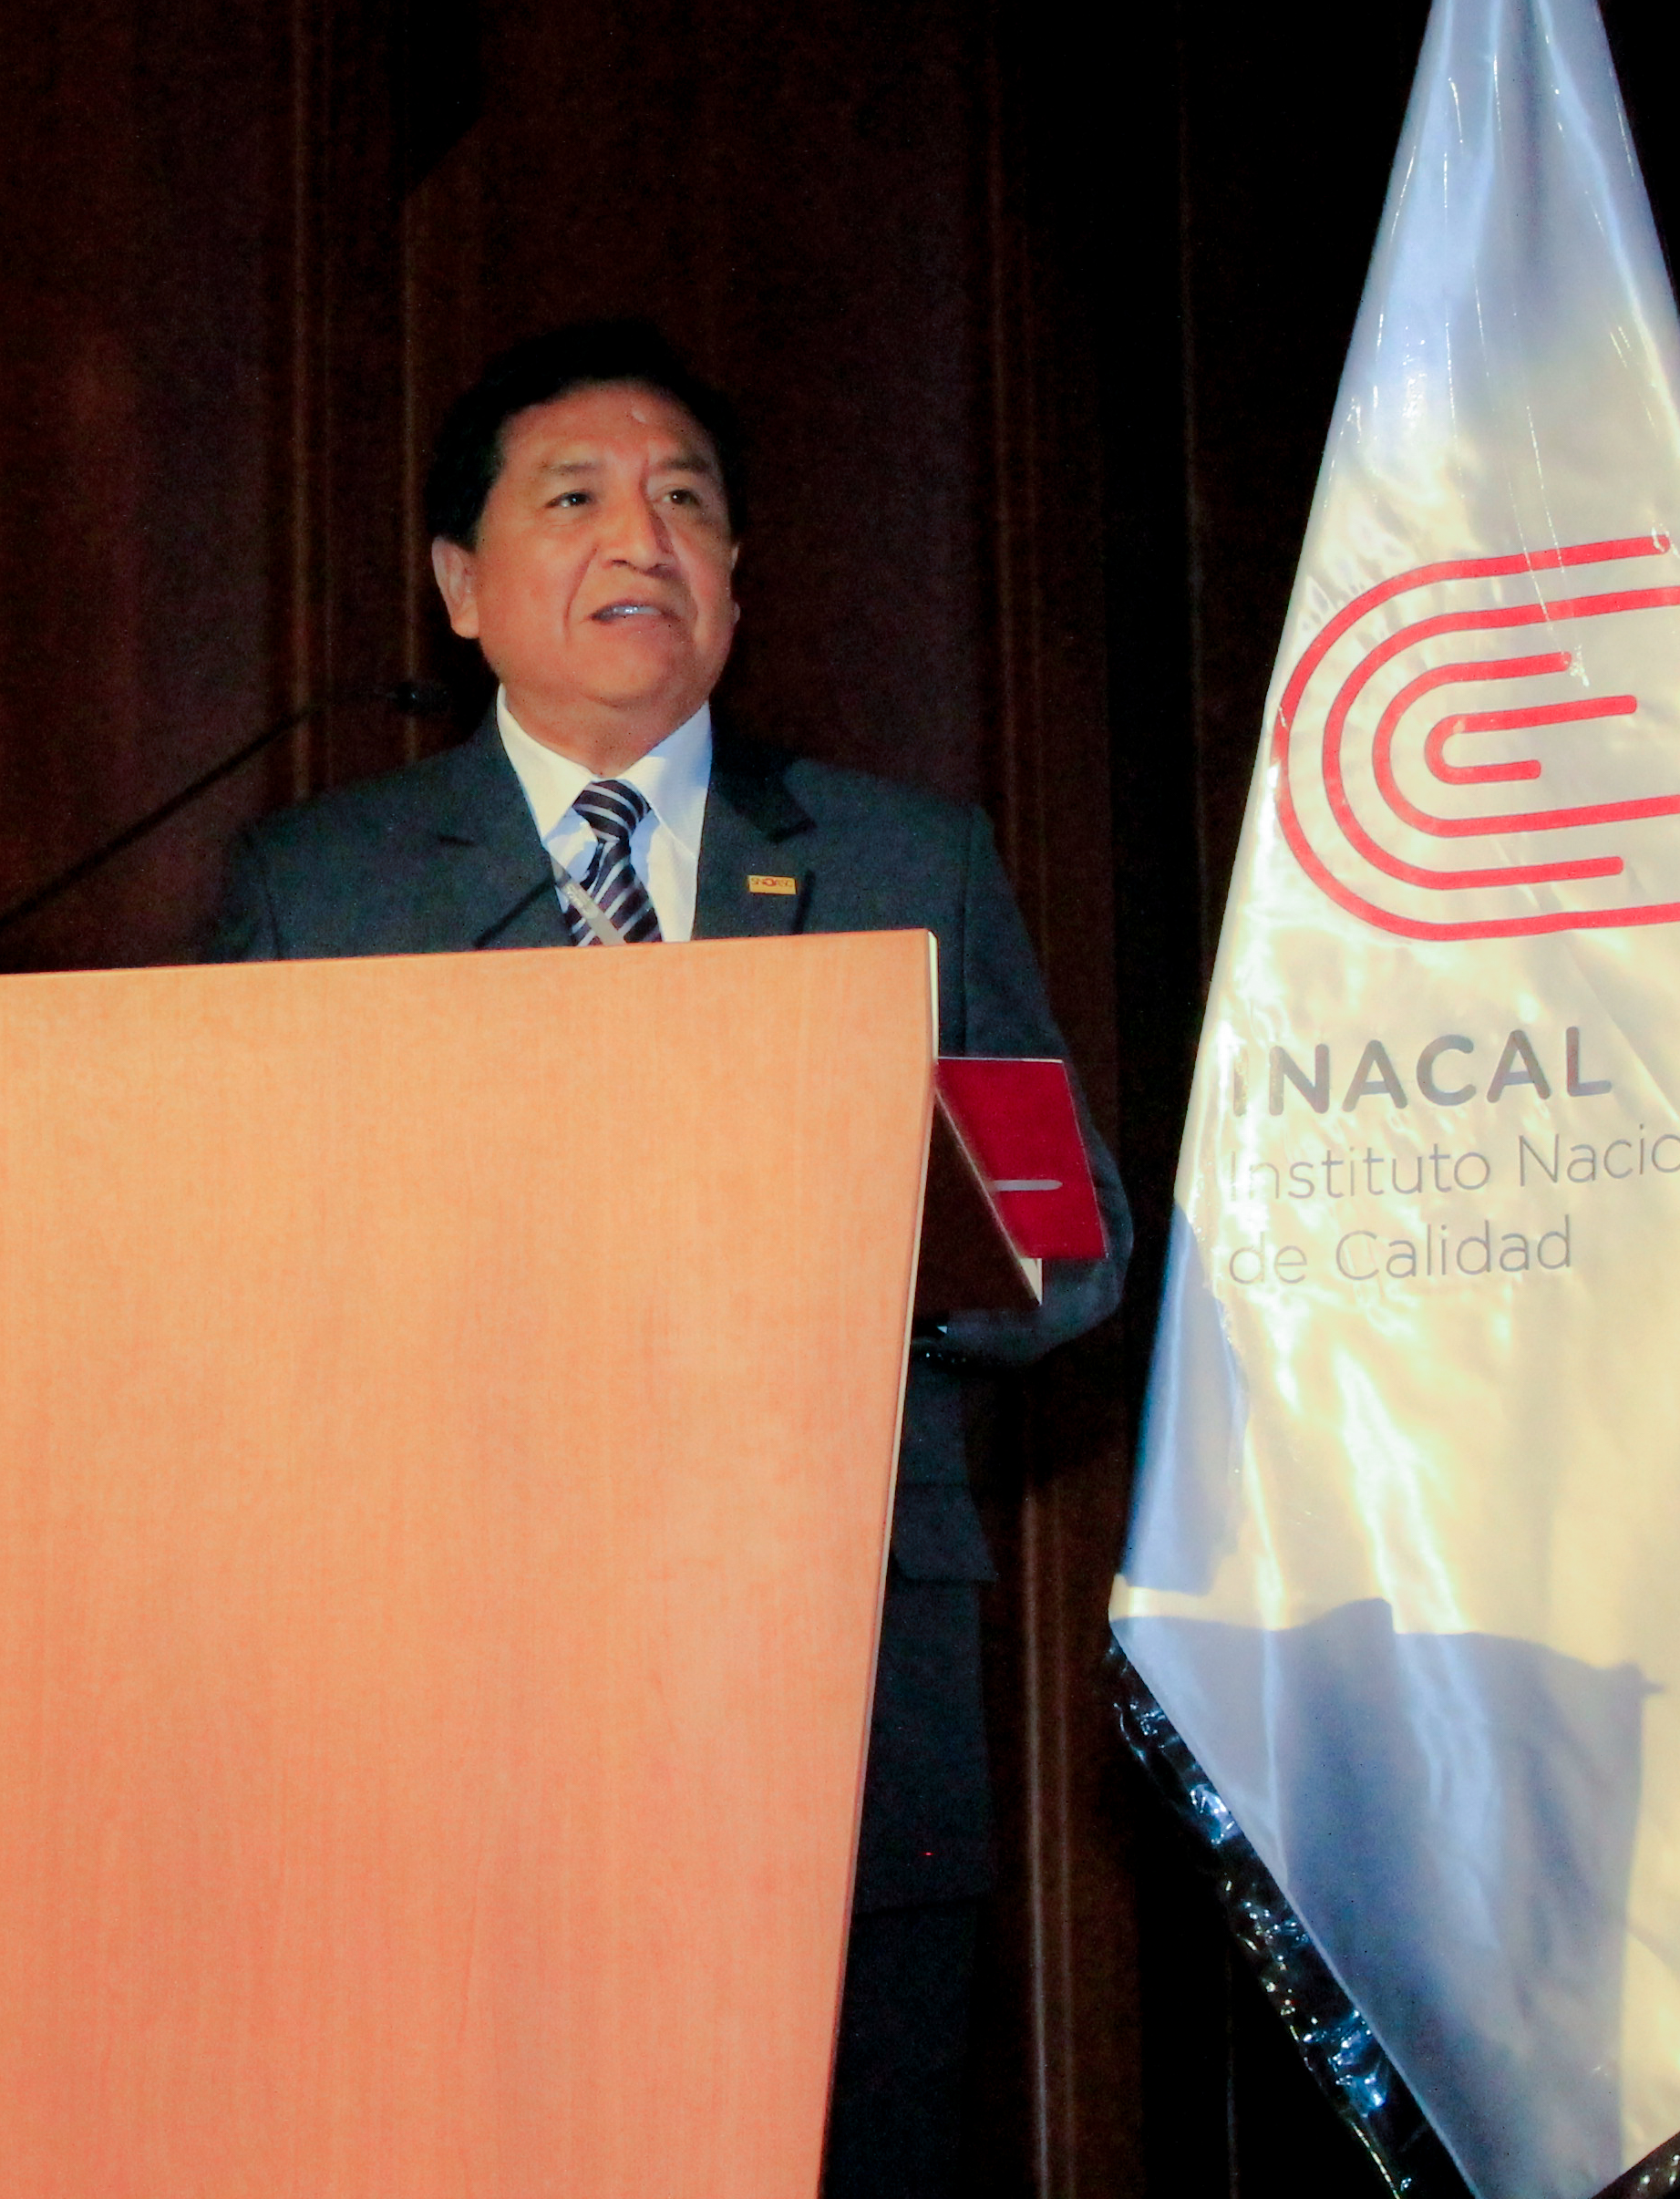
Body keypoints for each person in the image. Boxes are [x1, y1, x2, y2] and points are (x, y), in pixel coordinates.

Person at [208, 316, 1131, 2194]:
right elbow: (221, 1283)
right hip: (439, 1706)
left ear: (733, 579)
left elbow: (1071, 1241)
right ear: (462, 587)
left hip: (837, 1698)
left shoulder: (903, 863)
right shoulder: (327, 883)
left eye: (687, 503)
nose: (643, 536)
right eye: (574, 498)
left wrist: (841, 1247)